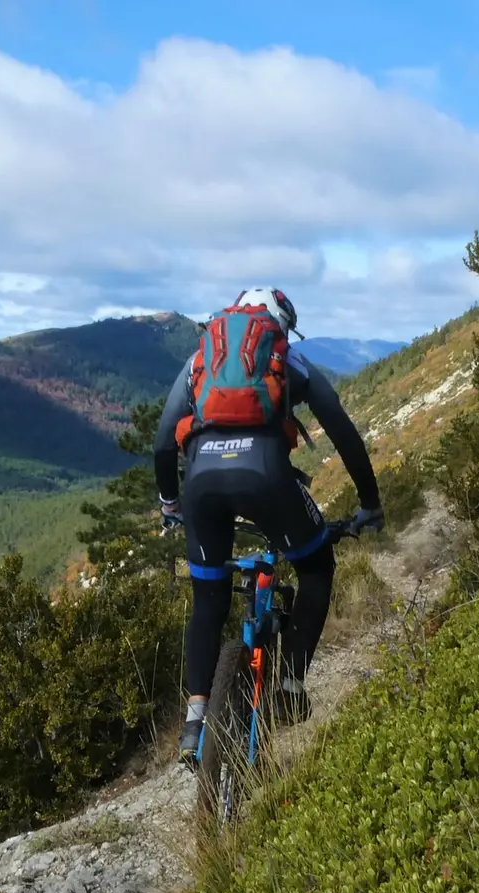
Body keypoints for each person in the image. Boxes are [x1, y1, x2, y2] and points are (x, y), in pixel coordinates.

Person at [154, 287, 383, 765]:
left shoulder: (202, 358)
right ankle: (288, 683)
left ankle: (196, 720)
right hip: (266, 477)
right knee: (317, 568)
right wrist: (369, 502)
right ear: (282, 322)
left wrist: (170, 504)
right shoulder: (287, 358)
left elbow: (162, 441)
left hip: (199, 483)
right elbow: (340, 427)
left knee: (208, 598)